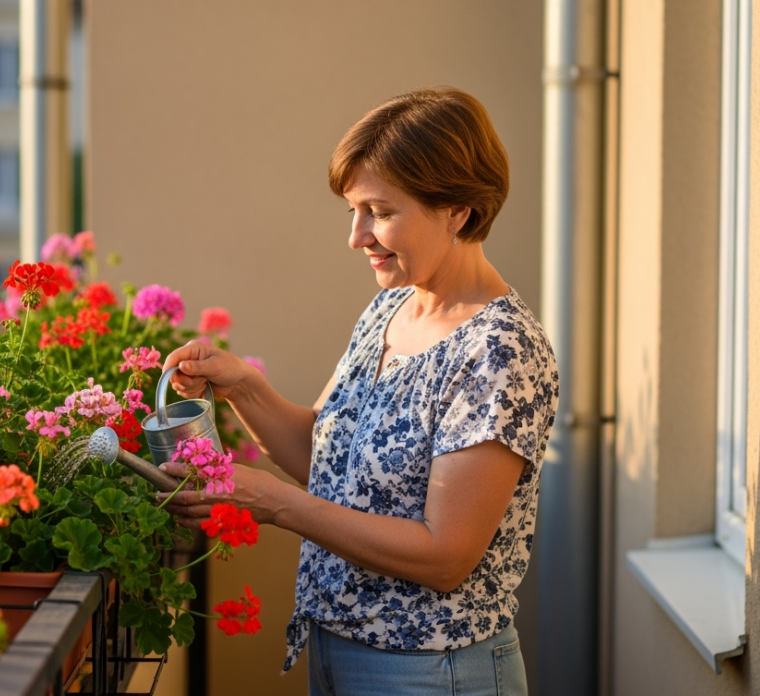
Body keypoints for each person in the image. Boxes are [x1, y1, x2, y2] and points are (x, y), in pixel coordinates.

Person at [158, 87, 558, 696]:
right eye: (352, 210)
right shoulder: (390, 308)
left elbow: (446, 557)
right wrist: (243, 387)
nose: (357, 235)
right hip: (337, 649)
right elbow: (328, 463)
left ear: (458, 210)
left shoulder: (498, 349)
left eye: (380, 211)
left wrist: (276, 505)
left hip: (430, 669)